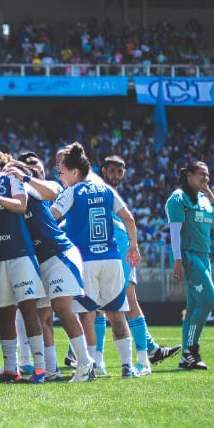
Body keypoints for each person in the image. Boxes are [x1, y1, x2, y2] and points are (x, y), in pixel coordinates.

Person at [50, 143, 141, 379]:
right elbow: (129, 219)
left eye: (62, 172)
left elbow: (50, 219)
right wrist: (133, 246)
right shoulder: (106, 190)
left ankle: (90, 366)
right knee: (117, 313)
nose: (61, 177)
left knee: (86, 315)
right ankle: (127, 367)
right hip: (111, 258)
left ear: (75, 172)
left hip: (86, 261)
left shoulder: (71, 192)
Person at [6, 153, 93, 383]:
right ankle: (51, 370)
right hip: (40, 261)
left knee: (62, 308)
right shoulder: (13, 195)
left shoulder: (37, 189)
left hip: (59, 254)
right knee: (42, 317)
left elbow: (54, 191)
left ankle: (85, 363)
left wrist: (25, 178)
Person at [0, 136, 52, 383]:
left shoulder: (11, 179)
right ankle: (10, 368)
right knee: (4, 314)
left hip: (20, 253)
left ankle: (40, 369)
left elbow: (20, 205)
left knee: (28, 310)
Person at [100, 154, 180, 374]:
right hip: (106, 253)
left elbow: (127, 223)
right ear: (103, 171)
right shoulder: (102, 191)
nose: (116, 174)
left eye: (120, 171)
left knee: (124, 302)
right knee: (101, 307)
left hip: (119, 254)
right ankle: (147, 352)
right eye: (112, 170)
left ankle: (143, 358)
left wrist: (132, 247)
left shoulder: (113, 194)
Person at [166, 160, 214, 370]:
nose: (206, 178)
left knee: (192, 308)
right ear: (189, 175)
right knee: (208, 299)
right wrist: (178, 260)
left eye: (207, 175)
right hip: (188, 256)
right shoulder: (178, 199)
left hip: (204, 256)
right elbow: (174, 233)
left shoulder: (204, 199)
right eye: (202, 174)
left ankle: (185, 358)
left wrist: (213, 200)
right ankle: (191, 349)